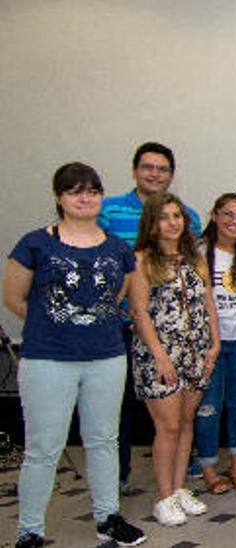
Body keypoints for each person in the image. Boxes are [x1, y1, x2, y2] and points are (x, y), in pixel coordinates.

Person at [5, 162, 147, 547]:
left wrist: (86, 326)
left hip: (105, 357)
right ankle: (30, 530)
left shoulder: (117, 248)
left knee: (103, 440)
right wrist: (58, 326)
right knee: (43, 448)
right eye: (75, 191)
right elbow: (15, 298)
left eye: (93, 191)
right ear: (59, 197)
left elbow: (116, 299)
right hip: (47, 359)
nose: (85, 198)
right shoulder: (35, 244)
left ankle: (108, 518)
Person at [98, 142, 202, 490]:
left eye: (162, 169)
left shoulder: (190, 218)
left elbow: (201, 294)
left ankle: (177, 482)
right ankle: (118, 477)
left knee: (180, 421)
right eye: (148, 167)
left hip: (185, 340)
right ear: (134, 171)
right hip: (125, 329)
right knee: (120, 409)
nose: (155, 174)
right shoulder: (108, 211)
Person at [128, 192, 219, 526]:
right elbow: (139, 312)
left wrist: (214, 344)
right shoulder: (141, 261)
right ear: (152, 224)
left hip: (196, 352)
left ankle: (180, 488)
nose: (172, 222)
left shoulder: (194, 258)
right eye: (164, 217)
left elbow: (208, 302)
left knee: (185, 423)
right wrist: (160, 357)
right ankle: (163, 497)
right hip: (160, 356)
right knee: (167, 426)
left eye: (177, 216)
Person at [193, 194, 236, 494]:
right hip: (209, 345)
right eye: (228, 215)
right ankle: (208, 468)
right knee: (208, 407)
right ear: (215, 215)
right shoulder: (198, 252)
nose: (234, 222)